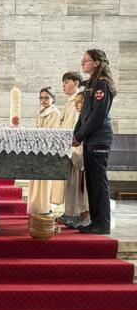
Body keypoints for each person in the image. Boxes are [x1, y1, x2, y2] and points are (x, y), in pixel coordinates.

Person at [74, 49, 116, 234]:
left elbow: (97, 115)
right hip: (91, 139)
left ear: (97, 63)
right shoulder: (91, 84)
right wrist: (77, 133)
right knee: (91, 182)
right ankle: (95, 221)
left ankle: (102, 223)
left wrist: (79, 136)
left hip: (99, 138)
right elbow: (84, 114)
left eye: (87, 60)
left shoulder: (102, 84)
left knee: (98, 182)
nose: (82, 63)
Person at [52, 72, 83, 213]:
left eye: (67, 82)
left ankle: (74, 212)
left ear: (76, 83)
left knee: (73, 181)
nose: (63, 85)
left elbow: (77, 124)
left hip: (74, 145)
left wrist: (71, 142)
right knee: (67, 181)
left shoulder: (79, 100)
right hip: (66, 145)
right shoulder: (69, 101)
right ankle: (68, 211)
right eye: (63, 82)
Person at [27, 87, 60, 214]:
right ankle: (35, 207)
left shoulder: (55, 113)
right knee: (36, 179)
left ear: (53, 98)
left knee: (45, 181)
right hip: (38, 149)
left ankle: (45, 207)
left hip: (48, 150)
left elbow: (54, 132)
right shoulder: (39, 113)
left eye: (47, 97)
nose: (44, 100)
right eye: (41, 98)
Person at [63, 92, 89, 228]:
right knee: (76, 188)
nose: (76, 105)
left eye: (79, 102)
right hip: (77, 155)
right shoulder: (81, 117)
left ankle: (87, 216)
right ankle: (80, 215)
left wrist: (71, 150)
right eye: (75, 102)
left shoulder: (88, 118)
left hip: (85, 158)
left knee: (84, 189)